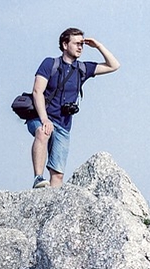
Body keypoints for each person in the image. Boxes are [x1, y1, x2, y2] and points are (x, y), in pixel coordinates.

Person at [28, 27, 120, 188]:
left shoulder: (82, 69)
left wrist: (98, 46)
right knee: (43, 132)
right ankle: (38, 178)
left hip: (63, 124)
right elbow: (37, 91)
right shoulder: (50, 64)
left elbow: (114, 65)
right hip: (41, 116)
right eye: (76, 43)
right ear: (65, 45)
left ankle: (51, 200)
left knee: (58, 174)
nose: (80, 47)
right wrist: (44, 119)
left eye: (82, 44)